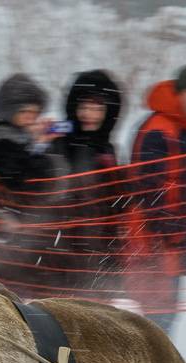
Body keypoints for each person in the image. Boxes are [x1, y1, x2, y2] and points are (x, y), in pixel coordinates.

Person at [125, 64, 186, 333]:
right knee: (155, 325)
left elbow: (185, 186)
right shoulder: (159, 129)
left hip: (174, 246)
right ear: (179, 92)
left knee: (164, 321)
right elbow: (147, 188)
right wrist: (168, 230)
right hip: (154, 246)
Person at [0, 73, 59, 292]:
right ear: (9, 110)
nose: (31, 117)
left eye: (35, 112)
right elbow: (20, 180)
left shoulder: (19, 139)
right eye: (24, 111)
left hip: (22, 233)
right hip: (5, 234)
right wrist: (38, 147)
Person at [46, 69, 126, 295]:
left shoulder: (109, 150)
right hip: (65, 254)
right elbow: (51, 195)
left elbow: (114, 206)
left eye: (98, 109)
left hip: (102, 252)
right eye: (85, 107)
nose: (90, 114)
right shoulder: (60, 145)